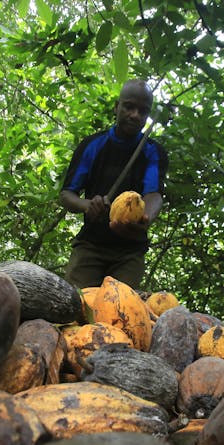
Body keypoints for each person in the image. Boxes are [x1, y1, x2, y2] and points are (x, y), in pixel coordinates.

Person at [59, 79, 168, 290]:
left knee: (122, 314)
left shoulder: (153, 151)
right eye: (129, 106)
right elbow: (67, 194)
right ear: (116, 107)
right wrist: (88, 205)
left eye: (143, 111)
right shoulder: (93, 145)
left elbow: (153, 194)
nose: (135, 115)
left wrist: (146, 219)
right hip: (91, 245)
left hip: (130, 251)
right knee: (77, 307)